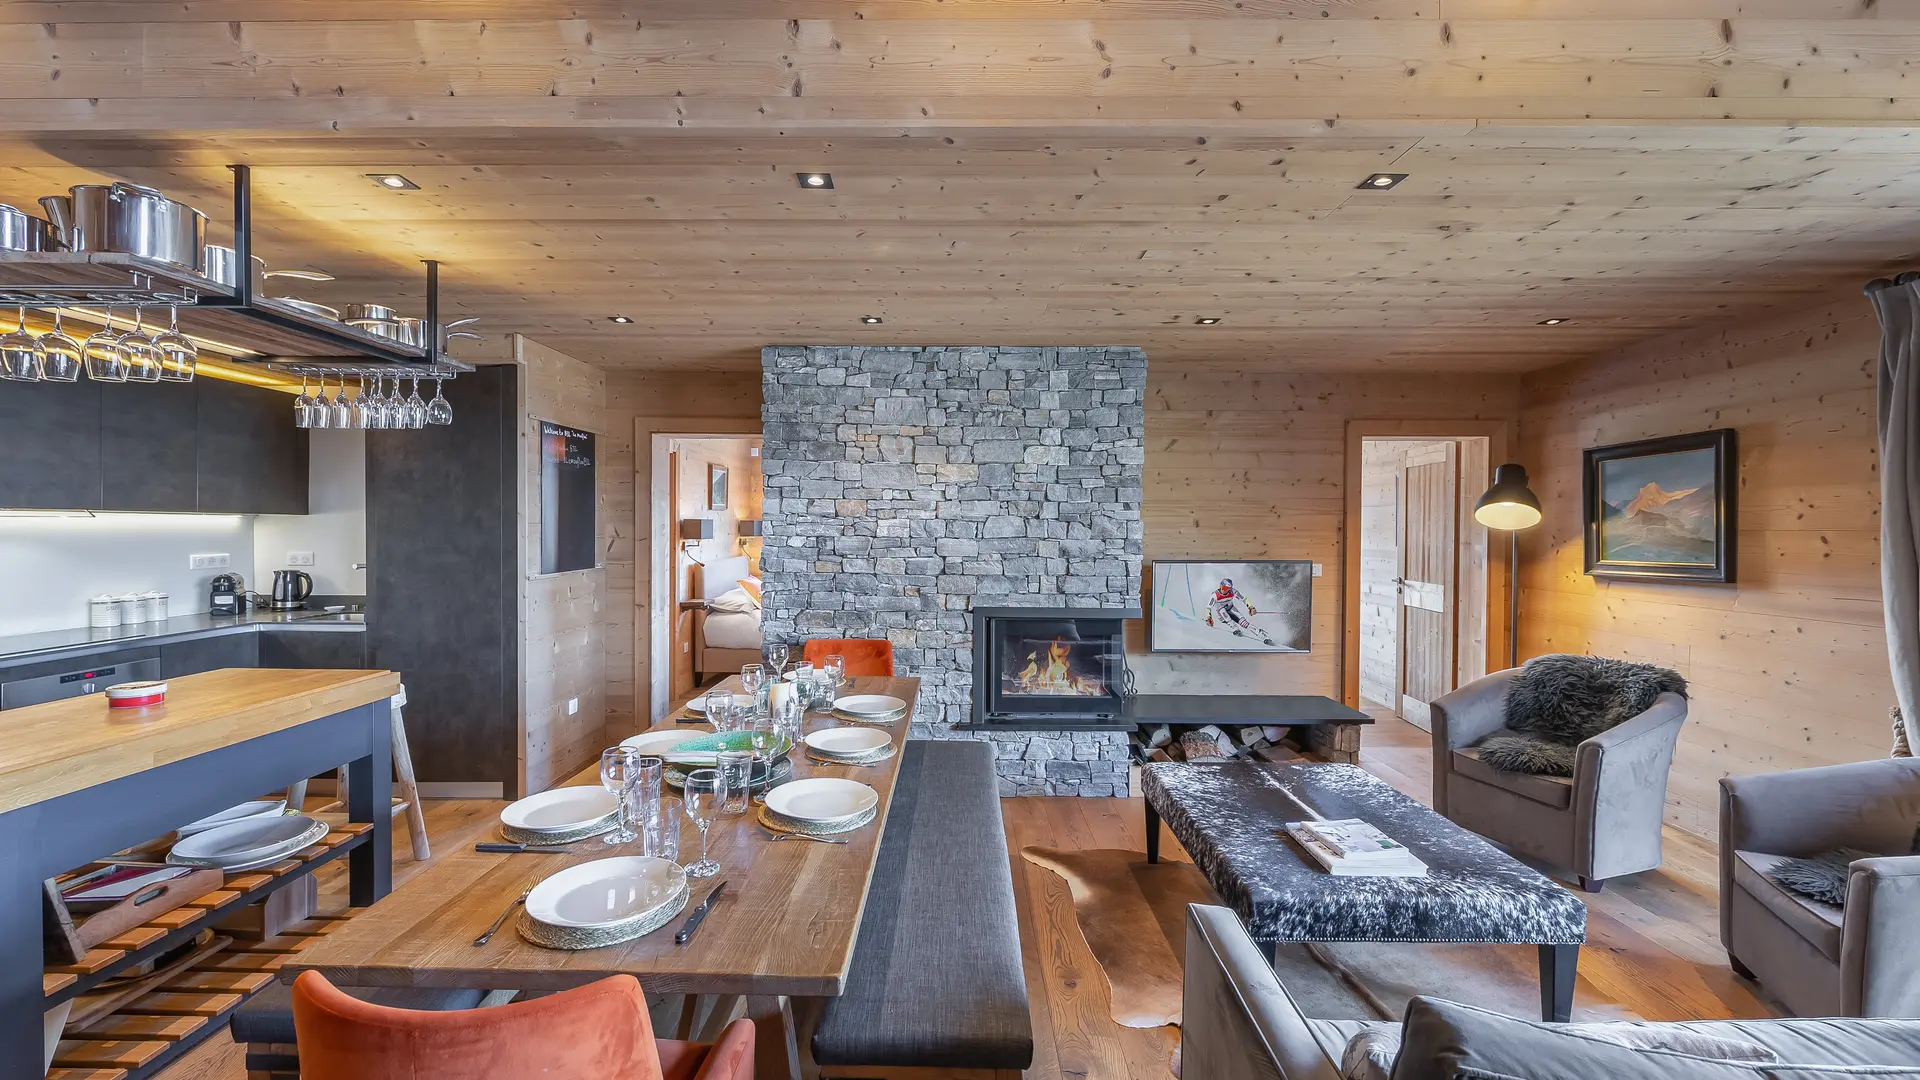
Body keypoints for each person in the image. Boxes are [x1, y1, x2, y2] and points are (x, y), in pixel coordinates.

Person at [1206, 578, 1277, 645]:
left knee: (1244, 623)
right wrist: (1209, 617)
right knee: (1222, 611)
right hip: (1221, 614)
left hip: (1231, 609)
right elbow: (1208, 607)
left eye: (1226, 588)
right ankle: (1235, 628)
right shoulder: (1215, 595)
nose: (1223, 590)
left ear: (1229, 589)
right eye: (1222, 587)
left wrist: (1251, 607)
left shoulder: (1233, 591)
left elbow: (1244, 599)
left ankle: (1261, 634)